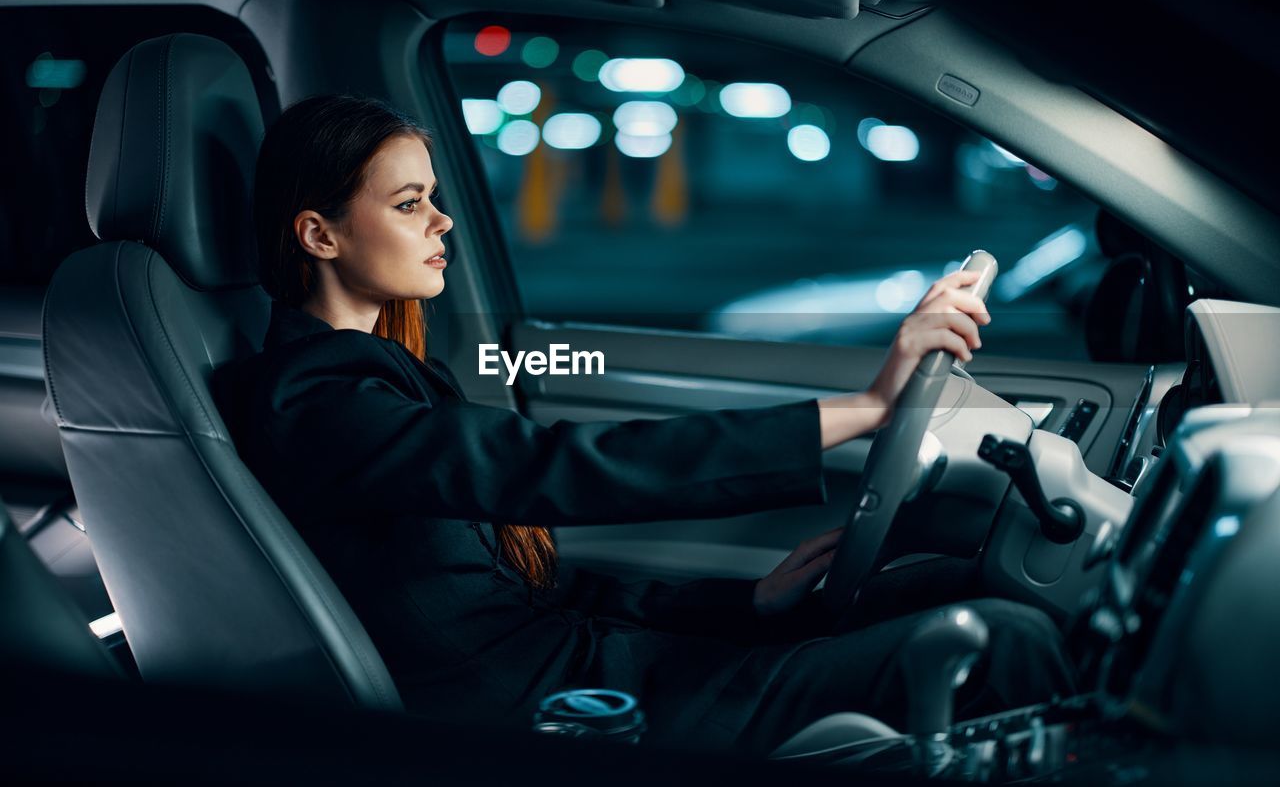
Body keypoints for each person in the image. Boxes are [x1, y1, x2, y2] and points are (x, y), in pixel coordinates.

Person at [213, 94, 1075, 757]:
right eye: (409, 204)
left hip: (567, 663)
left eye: (434, 198)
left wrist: (747, 602)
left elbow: (525, 589)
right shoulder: (316, 402)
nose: (442, 222)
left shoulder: (381, 377)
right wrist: (863, 410)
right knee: (1004, 643)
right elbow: (554, 467)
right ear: (319, 234)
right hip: (534, 705)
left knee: (953, 588)